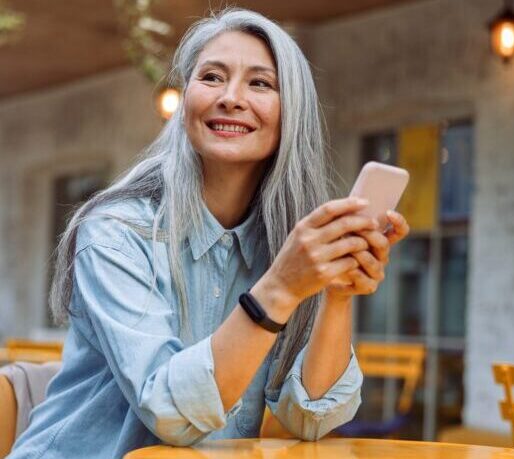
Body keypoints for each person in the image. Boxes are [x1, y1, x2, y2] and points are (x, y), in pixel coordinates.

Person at [8, 8, 409, 459]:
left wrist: (336, 294)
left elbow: (310, 418)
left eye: (260, 83)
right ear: (185, 101)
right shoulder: (117, 232)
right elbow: (169, 411)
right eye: (212, 77)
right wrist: (280, 287)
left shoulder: (279, 242)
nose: (231, 98)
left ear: (291, 113)